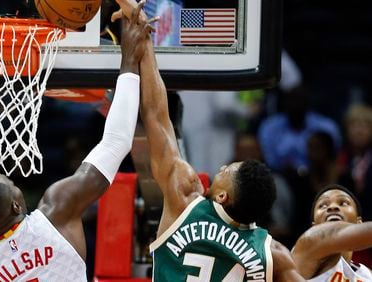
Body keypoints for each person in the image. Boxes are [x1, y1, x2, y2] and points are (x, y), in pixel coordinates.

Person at [0, 4, 152, 281]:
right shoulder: (57, 211)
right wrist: (129, 57)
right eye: (12, 185)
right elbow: (116, 141)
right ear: (16, 206)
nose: (16, 184)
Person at [113, 1, 304, 281]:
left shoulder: (185, 199)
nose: (222, 167)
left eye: (227, 171)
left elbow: (156, 115)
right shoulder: (272, 253)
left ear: (223, 196)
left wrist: (145, 44)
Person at [291, 184, 372, 281]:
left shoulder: (366, 274)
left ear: (359, 222)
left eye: (343, 203)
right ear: (314, 226)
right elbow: (336, 234)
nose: (332, 207)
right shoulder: (307, 244)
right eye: (323, 205)